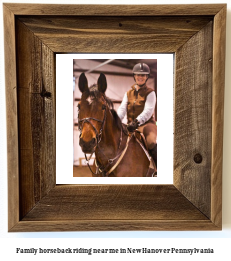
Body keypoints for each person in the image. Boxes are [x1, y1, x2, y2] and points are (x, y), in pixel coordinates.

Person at [117, 62, 157, 168]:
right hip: (130, 125)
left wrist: (137, 122)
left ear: (146, 77)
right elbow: (122, 109)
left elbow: (148, 111)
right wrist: (116, 120)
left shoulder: (150, 93)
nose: (140, 77)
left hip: (146, 125)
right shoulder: (128, 93)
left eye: (143, 75)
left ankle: (159, 169)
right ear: (134, 76)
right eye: (138, 74)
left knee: (151, 141)